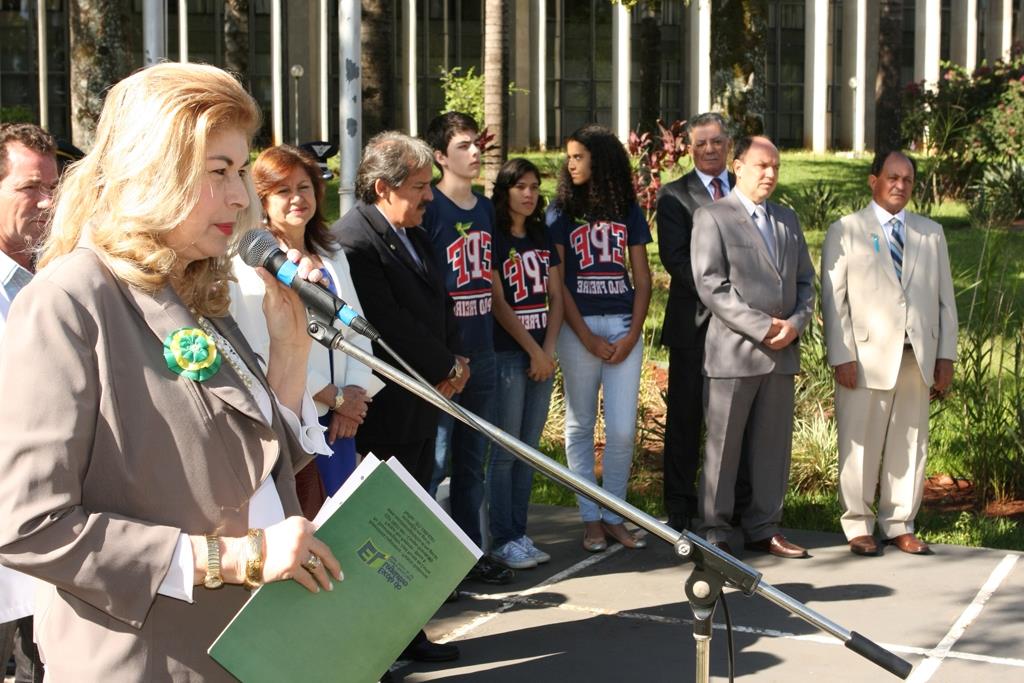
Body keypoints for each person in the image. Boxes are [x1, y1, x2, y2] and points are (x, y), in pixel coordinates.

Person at [0, 63, 343, 682]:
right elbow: (26, 524)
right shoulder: (69, 300)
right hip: (150, 661)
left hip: (252, 649)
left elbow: (247, 470)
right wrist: (225, 559)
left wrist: (291, 350)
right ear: (151, 169)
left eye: (240, 171)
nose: (241, 197)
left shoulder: (189, 288)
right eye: (220, 172)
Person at [333, 131, 462, 664]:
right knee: (380, 528)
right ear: (383, 187)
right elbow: (387, 325)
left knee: (412, 519)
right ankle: (376, 645)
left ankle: (405, 632)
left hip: (421, 402)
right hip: (384, 410)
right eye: (420, 186)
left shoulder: (413, 228)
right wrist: (444, 365)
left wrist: (452, 364)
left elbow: (437, 304)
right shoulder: (354, 241)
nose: (430, 196)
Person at [821, 150, 957, 556]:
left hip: (918, 358)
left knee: (910, 442)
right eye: (892, 177)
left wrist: (945, 357)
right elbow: (834, 300)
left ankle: (900, 521)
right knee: (859, 443)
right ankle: (858, 524)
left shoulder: (931, 234)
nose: (900, 185)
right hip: (863, 358)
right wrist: (840, 355)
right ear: (873, 180)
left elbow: (945, 300)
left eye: (907, 180)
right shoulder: (845, 230)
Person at [230, 145, 378, 516]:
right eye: (283, 191)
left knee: (342, 524)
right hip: (295, 419)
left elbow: (355, 325)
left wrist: (353, 398)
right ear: (261, 200)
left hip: (341, 424)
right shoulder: (251, 265)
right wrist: (332, 396)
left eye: (304, 187)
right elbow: (259, 346)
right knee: (306, 520)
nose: (297, 198)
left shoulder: (333, 253)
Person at [691, 135, 815, 558]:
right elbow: (711, 285)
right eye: (762, 165)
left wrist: (796, 325)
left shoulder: (787, 219)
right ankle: (714, 531)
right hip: (733, 354)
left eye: (776, 167)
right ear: (737, 166)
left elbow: (805, 283)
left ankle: (764, 528)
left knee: (772, 450)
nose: (770, 174)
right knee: (723, 449)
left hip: (781, 355)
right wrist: (764, 327)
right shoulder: (713, 217)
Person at [548, 124, 652, 553]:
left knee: (624, 430)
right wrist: (587, 336)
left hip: (624, 329)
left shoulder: (627, 209)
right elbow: (559, 287)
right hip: (579, 332)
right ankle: (590, 518)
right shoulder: (559, 212)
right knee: (580, 425)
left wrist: (632, 335)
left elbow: (643, 280)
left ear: (601, 161)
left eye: (579, 157)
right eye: (568, 157)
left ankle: (613, 513)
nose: (570, 165)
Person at [420, 112, 512, 582]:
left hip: (484, 352)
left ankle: (471, 555)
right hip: (444, 357)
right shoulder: (430, 207)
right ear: (439, 157)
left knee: (474, 459)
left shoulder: (485, 208)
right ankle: (431, 564)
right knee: (436, 460)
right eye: (463, 146)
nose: (475, 152)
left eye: (477, 144)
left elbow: (491, 280)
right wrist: (445, 357)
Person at [656, 112, 743, 533]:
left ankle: (732, 504)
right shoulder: (674, 196)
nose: (709, 150)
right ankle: (679, 504)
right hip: (694, 323)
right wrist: (726, 299)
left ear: (729, 144)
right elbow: (676, 260)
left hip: (742, 328)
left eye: (716, 142)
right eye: (700, 144)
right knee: (686, 419)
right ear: (689, 149)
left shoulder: (744, 192)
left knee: (733, 419)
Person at [0, 122, 57, 683]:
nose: (44, 203)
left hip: (57, 531)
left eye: (51, 188)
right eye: (27, 188)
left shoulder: (62, 280)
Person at [487, 158, 563, 569]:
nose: (530, 194)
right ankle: (502, 538)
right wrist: (532, 351)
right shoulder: (496, 237)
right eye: (521, 186)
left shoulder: (540, 234)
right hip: (507, 355)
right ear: (506, 190)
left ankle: (520, 531)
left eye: (535, 186)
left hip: (540, 357)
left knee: (529, 451)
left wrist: (547, 350)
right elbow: (498, 302)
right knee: (505, 450)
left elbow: (557, 296)